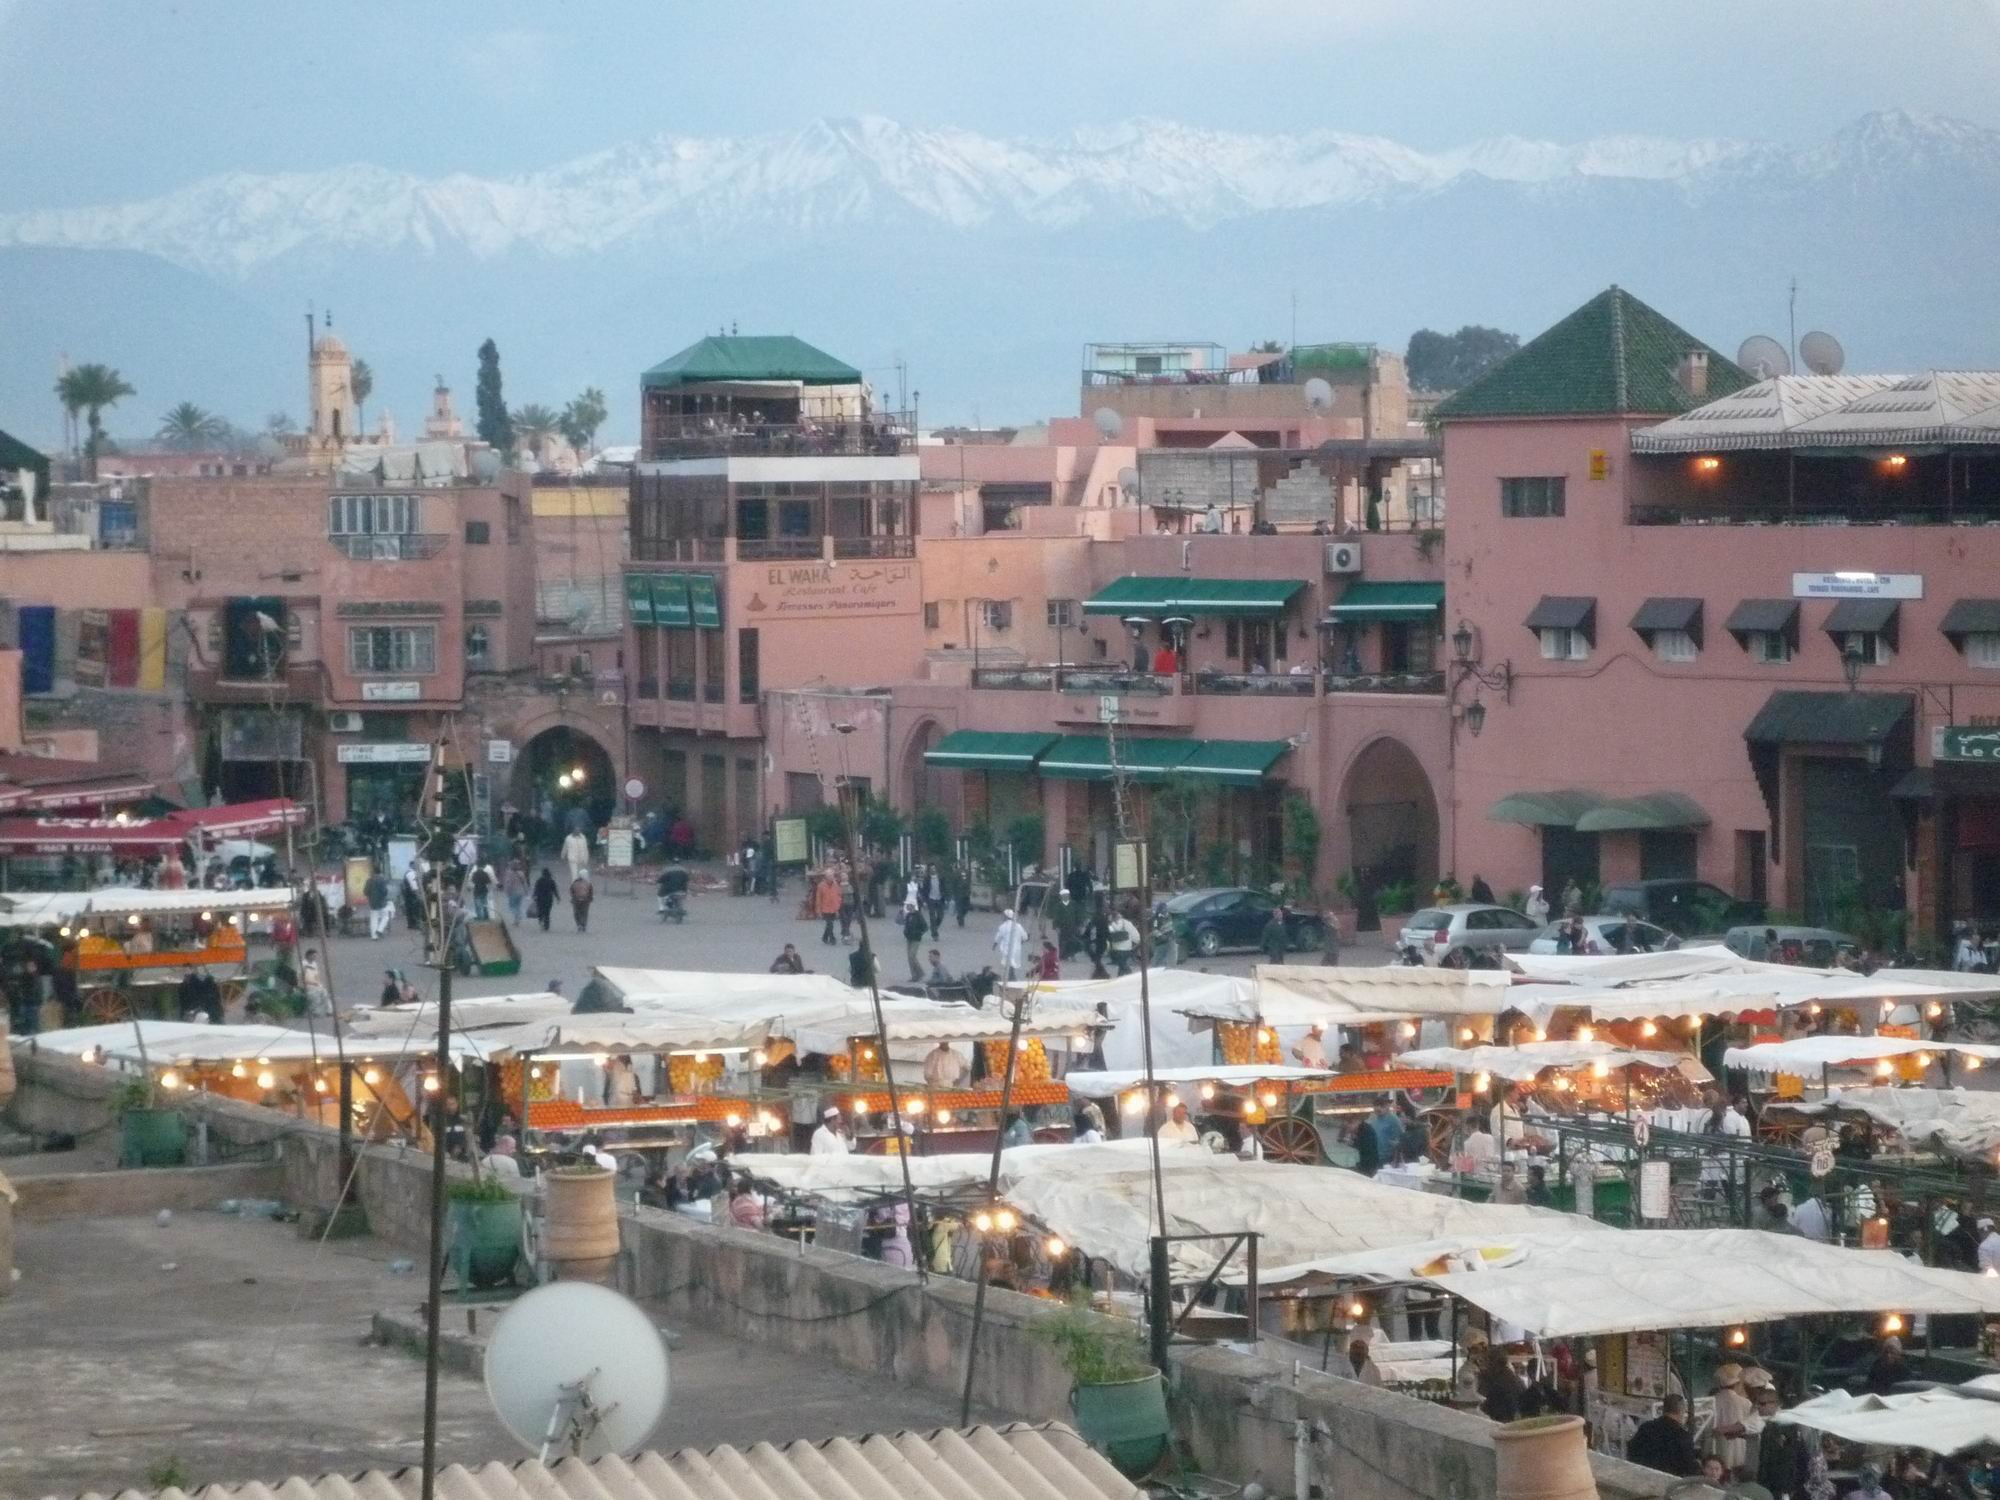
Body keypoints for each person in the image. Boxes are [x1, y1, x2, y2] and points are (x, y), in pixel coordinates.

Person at [1625, 1394, 1701, 1478]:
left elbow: (1632, 1451)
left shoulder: (1646, 1428)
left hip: (1643, 1477)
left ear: (1664, 1409)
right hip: (1669, 1484)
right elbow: (1688, 1466)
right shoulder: (1683, 1436)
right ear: (1681, 1411)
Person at [1709, 1363, 1752, 1474]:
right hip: (1740, 1456)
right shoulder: (1746, 1403)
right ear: (1738, 1383)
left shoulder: (1711, 1402)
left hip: (1716, 1456)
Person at [992, 908, 1028, 981]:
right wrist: (1020, 943)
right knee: (1011, 963)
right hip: (1016, 949)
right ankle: (1011, 978)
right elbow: (1025, 937)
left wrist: (994, 945)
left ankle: (1011, 979)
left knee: (1008, 964)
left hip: (1006, 948)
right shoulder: (1018, 926)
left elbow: (998, 937)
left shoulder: (1003, 926)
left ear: (1005, 916)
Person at [1369, 1095, 1405, 1166]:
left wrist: (1396, 1159)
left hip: (1389, 1158)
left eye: (1382, 1106)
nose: (1378, 1108)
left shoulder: (1393, 1120)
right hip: (1375, 1156)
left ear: (1387, 1106)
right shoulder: (1372, 1119)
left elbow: (1400, 1139)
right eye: (1376, 1105)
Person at [1106, 908, 1140, 976]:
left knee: (1122, 963)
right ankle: (1121, 976)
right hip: (1125, 947)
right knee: (1122, 963)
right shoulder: (1126, 922)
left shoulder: (1121, 922)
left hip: (1122, 948)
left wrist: (1111, 922)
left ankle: (1130, 975)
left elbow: (1117, 929)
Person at [902, 901, 929, 982]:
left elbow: (925, 927)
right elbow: (906, 925)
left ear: (912, 906)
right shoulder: (908, 915)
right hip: (909, 938)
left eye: (908, 905)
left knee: (912, 956)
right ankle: (914, 975)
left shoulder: (918, 915)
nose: (906, 906)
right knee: (909, 958)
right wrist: (905, 932)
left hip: (916, 939)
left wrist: (919, 933)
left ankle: (920, 973)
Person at [364, 867, 392, 940]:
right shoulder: (382, 880)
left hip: (372, 902)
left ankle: (374, 936)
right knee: (386, 916)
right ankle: (379, 929)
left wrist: (371, 896)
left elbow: (365, 892)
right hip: (381, 902)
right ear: (380, 872)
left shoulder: (369, 881)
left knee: (374, 919)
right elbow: (385, 891)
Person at [814, 869, 841, 945]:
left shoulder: (836, 885)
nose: (831, 877)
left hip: (834, 908)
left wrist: (837, 907)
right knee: (830, 924)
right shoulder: (821, 886)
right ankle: (832, 938)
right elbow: (818, 899)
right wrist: (818, 911)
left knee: (829, 924)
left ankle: (825, 937)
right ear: (825, 877)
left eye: (832, 876)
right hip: (825, 908)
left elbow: (839, 896)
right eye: (829, 876)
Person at [531, 867, 559, 932]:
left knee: (540, 911)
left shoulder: (539, 880)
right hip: (549, 899)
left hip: (540, 898)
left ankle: (540, 921)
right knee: (547, 913)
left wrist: (534, 896)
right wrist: (558, 898)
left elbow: (536, 889)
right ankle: (546, 926)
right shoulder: (551, 880)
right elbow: (554, 890)